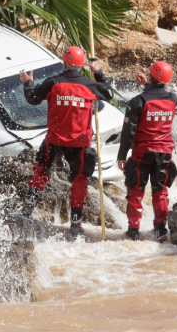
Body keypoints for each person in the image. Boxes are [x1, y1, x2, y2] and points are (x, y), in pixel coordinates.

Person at [20, 46, 112, 238]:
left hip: (54, 139)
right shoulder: (89, 85)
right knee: (79, 180)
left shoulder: (53, 82)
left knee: (42, 169)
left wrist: (28, 83)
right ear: (82, 66)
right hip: (79, 142)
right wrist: (98, 73)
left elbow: (32, 99)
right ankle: (76, 223)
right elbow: (109, 94)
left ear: (64, 62)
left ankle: (28, 207)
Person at [116, 61, 177, 242]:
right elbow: (159, 95)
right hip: (164, 152)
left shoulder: (138, 102)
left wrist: (121, 155)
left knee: (136, 191)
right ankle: (160, 230)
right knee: (160, 191)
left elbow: (129, 132)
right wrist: (147, 85)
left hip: (142, 153)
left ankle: (133, 232)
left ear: (150, 76)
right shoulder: (173, 99)